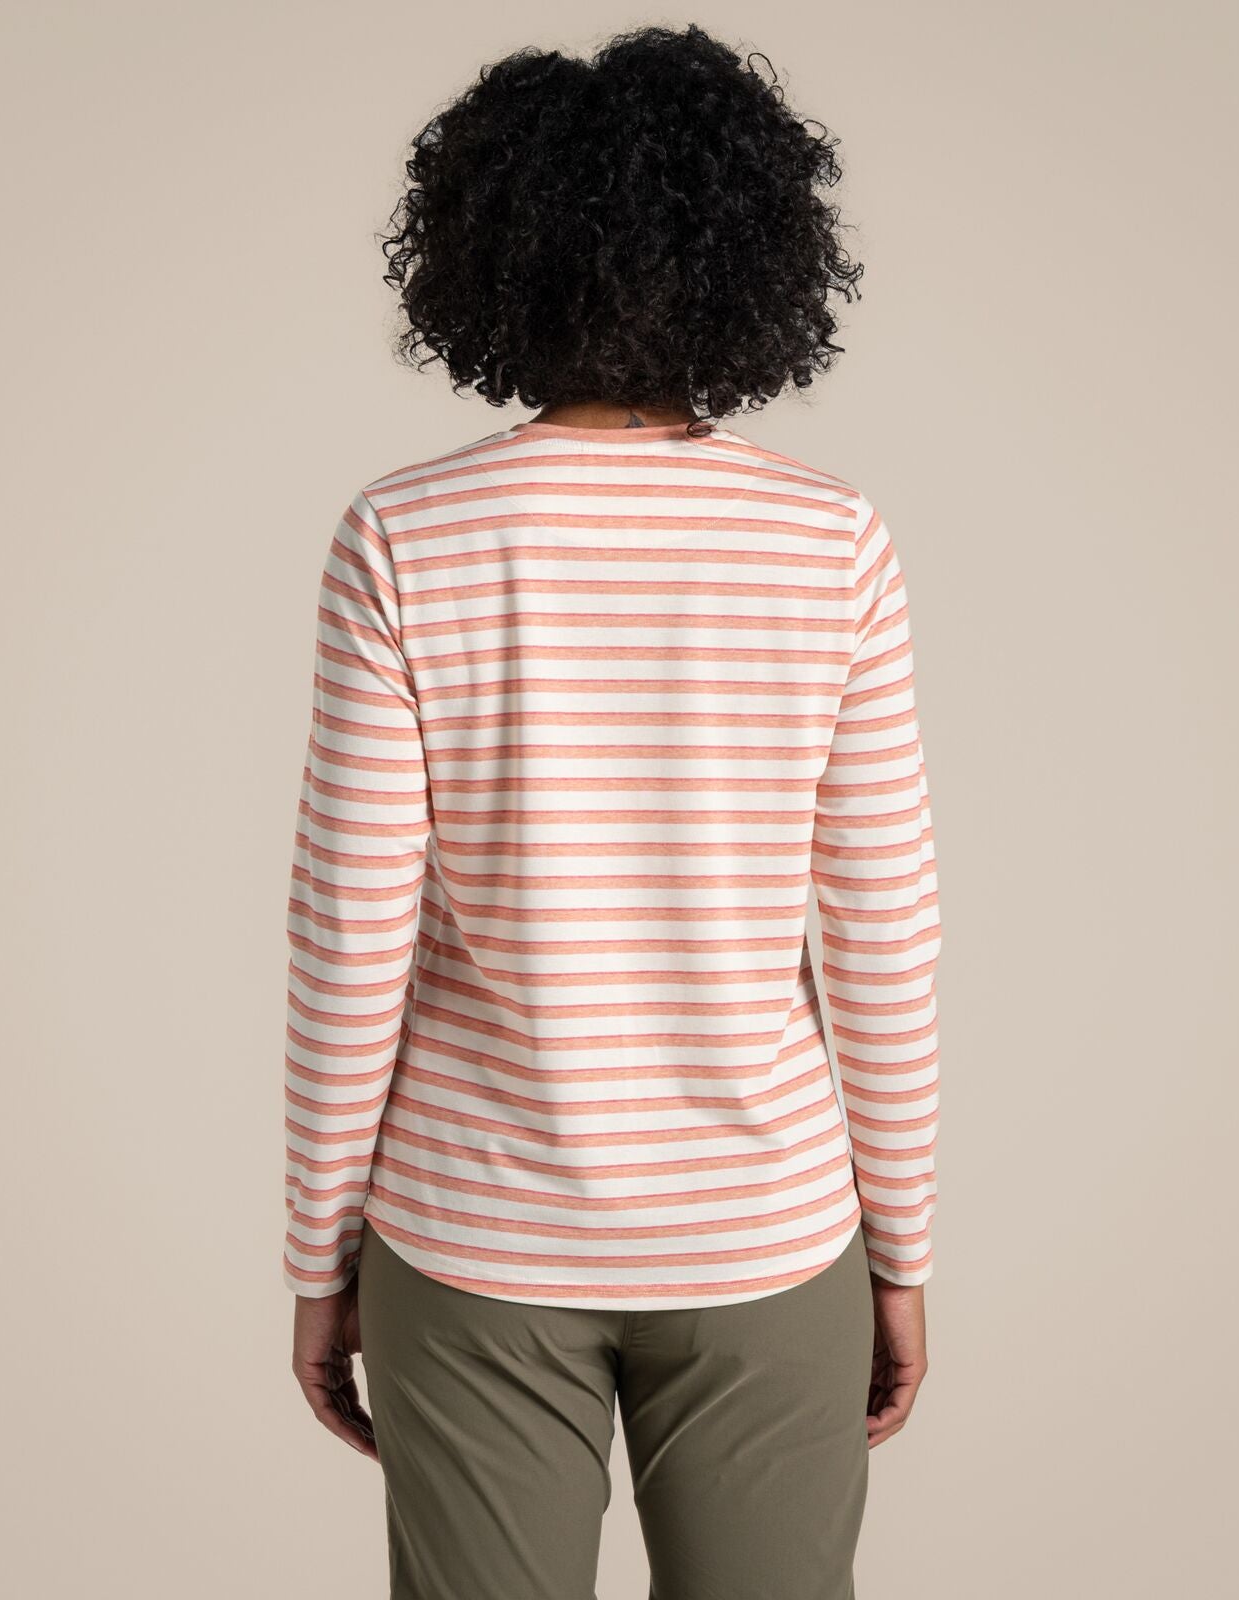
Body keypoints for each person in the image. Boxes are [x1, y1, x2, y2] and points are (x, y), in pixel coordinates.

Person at [282, 23, 943, 1599]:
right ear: (752, 260)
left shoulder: (407, 536)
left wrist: (320, 1259)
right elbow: (882, 927)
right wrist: (903, 1250)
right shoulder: (830, 540)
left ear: (486, 257)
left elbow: (350, 937)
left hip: (470, 1233)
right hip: (767, 1236)